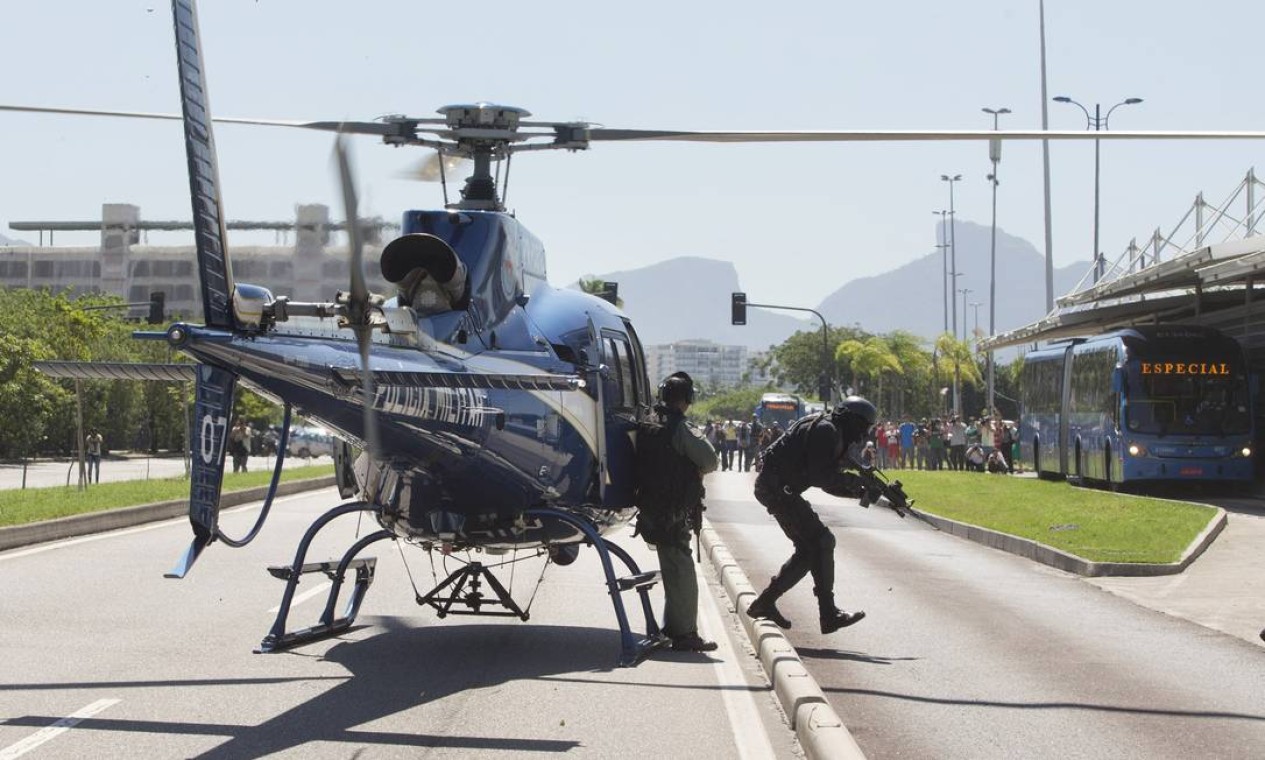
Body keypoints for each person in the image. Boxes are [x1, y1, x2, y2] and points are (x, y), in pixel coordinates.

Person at [745, 396, 875, 634]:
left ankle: (765, 603)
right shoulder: (826, 431)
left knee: (810, 550)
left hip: (780, 490)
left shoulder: (829, 428)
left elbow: (828, 482)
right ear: (852, 420)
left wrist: (861, 491)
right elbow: (821, 477)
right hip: (777, 490)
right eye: (863, 427)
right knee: (822, 542)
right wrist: (856, 483)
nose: (862, 435)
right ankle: (828, 613)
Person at [634, 372, 720, 653]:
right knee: (681, 569)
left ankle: (674, 626)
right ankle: (684, 634)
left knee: (672, 566)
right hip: (672, 511)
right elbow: (709, 461)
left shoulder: (647, 422)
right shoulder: (680, 428)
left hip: (649, 508)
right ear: (687, 399)